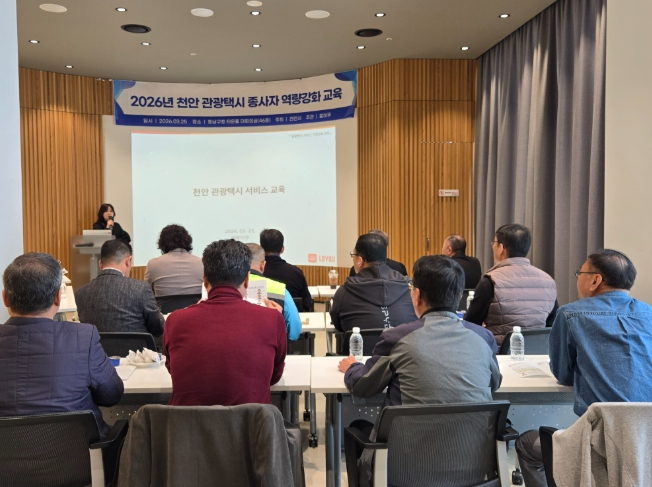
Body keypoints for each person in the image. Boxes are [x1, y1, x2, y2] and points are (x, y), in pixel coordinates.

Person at [339, 255, 501, 487]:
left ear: (417, 295)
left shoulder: (397, 338)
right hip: (473, 471)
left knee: (358, 428)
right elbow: (494, 383)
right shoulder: (483, 338)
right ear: (459, 296)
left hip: (402, 474)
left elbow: (363, 386)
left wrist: (353, 367)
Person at [515, 249, 652, 487]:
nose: (577, 278)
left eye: (580, 273)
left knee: (527, 443)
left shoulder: (571, 314)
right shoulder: (648, 314)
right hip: (645, 447)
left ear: (595, 280)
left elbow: (563, 374)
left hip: (596, 445)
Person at [0, 253, 123, 438]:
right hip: (78, 452)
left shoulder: (84, 337)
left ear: (5, 298)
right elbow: (112, 395)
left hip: (7, 455)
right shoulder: (83, 338)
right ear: (58, 297)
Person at [164, 239, 287, 406]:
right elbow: (274, 377)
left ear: (204, 279)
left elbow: (174, 370)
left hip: (189, 422)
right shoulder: (272, 318)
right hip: (251, 422)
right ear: (247, 279)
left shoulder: (175, 320)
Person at [464, 223, 558, 345]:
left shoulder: (491, 281)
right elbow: (553, 324)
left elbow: (470, 324)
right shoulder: (548, 281)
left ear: (501, 248)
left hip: (499, 353)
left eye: (494, 242)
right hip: (539, 352)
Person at [331, 233, 417, 333]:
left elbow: (338, 325)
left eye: (353, 255)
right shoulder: (411, 289)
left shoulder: (344, 293)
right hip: (405, 343)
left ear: (360, 260)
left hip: (361, 344)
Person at [76, 239, 164, 336]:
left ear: (100, 264)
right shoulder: (141, 289)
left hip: (97, 346)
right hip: (134, 346)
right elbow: (158, 328)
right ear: (127, 261)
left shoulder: (80, 294)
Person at [247, 243, 302, 341]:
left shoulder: (230, 288)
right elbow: (294, 332)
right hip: (272, 348)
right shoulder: (280, 289)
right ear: (263, 265)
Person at [260, 229, 313, 312]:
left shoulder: (253, 273)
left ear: (261, 249)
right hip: (290, 318)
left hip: (261, 318)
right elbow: (307, 303)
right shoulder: (296, 273)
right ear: (282, 249)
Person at [145, 224, 203, 297]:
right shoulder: (201, 263)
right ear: (188, 241)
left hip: (163, 305)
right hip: (196, 305)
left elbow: (146, 293)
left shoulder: (153, 264)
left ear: (162, 243)